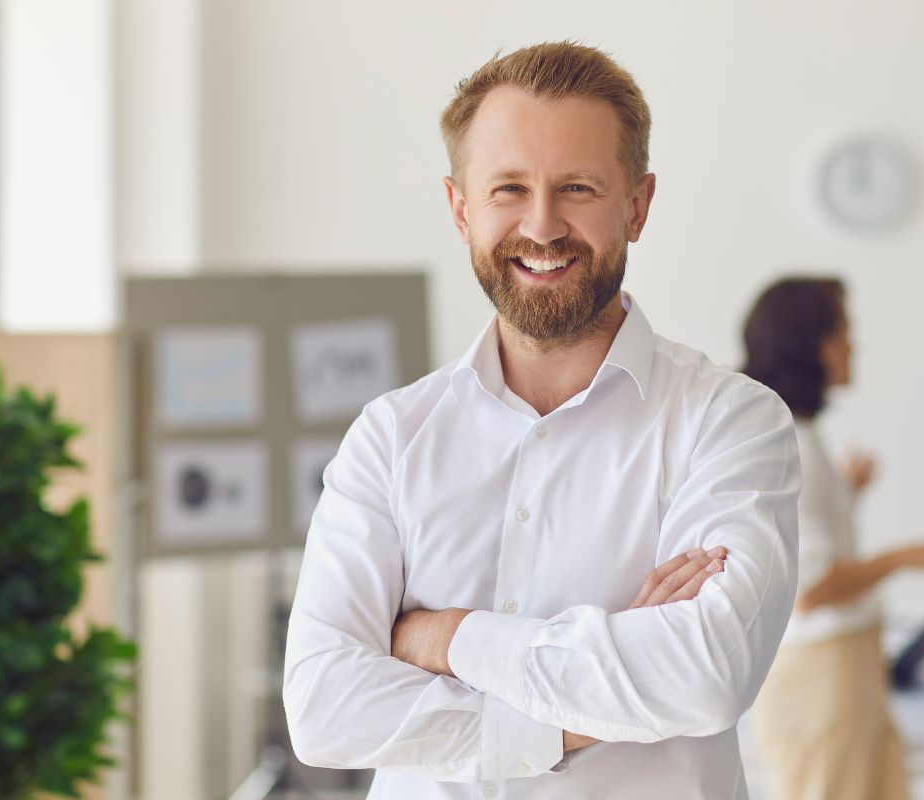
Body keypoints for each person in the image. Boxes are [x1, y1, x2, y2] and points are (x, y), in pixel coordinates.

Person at [282, 42, 802, 799]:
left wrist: (445, 638)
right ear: (462, 209)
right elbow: (326, 710)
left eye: (579, 188)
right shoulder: (391, 438)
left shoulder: (730, 423)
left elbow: (705, 674)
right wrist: (598, 702)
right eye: (509, 189)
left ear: (637, 205)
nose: (543, 225)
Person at [743, 277, 924, 800]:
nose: (853, 347)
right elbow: (814, 587)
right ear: (809, 345)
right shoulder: (789, 440)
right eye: (842, 333)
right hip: (821, 676)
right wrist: (908, 557)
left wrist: (845, 495)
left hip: (844, 670)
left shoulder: (797, 433)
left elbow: (806, 547)